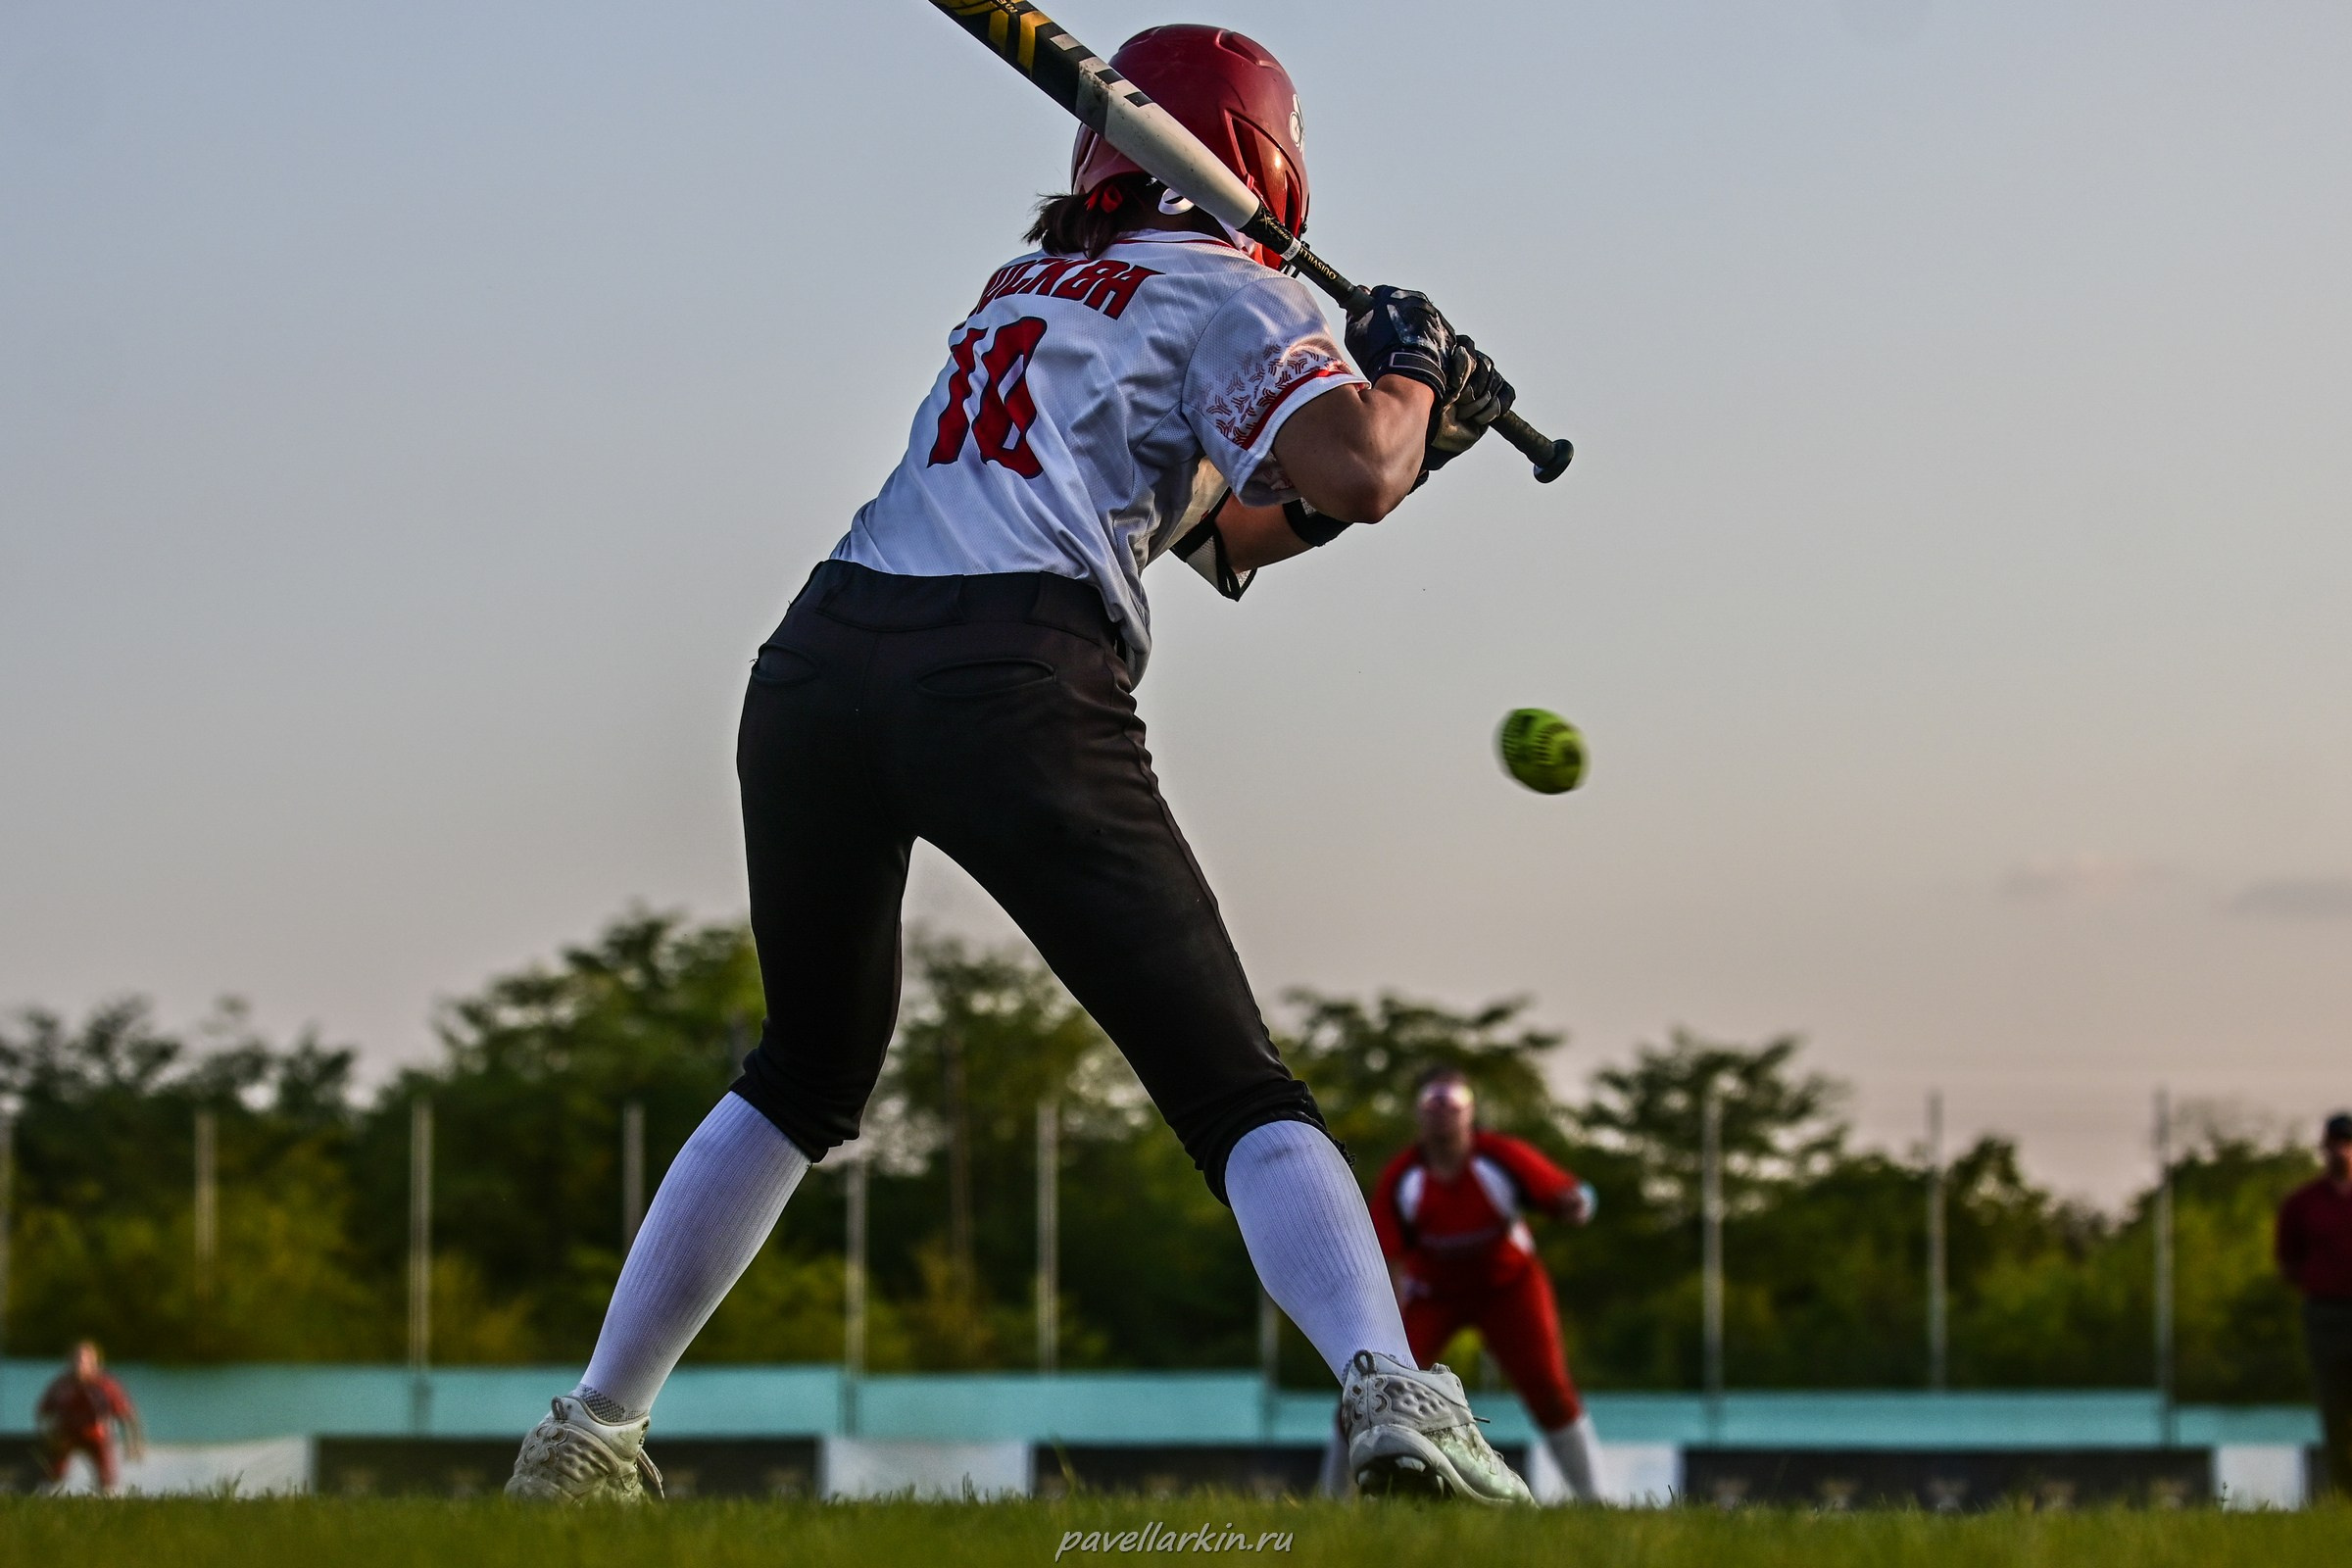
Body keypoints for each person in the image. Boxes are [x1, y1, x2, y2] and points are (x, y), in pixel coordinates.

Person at [508, 24, 1525, 1504]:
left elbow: (1226, 536)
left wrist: (1418, 430)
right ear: (1274, 157)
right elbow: (1351, 468)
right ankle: (1392, 1396)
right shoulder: (1232, 287)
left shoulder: (1030, 285)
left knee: (804, 1067)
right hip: (1007, 677)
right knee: (1231, 1084)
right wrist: (1414, 378)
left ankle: (591, 1431)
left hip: (818, 667)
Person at [1346, 1067, 1605, 1502]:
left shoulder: (1499, 1158)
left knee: (1549, 1389)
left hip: (1509, 1288)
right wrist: (1383, 1323)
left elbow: (1571, 1193)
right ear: (1419, 1114)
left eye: (1454, 1100)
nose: (1443, 1112)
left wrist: (1576, 1204)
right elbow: (1388, 1258)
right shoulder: (1402, 1177)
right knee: (1372, 1384)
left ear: (1471, 1111)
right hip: (1434, 1295)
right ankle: (1334, 1498)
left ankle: (1594, 1499)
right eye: (1433, 1101)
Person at [2277, 1111, 2352, 1496]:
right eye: (2335, 1144)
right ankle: (2343, 1490)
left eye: (2348, 1143)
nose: (2341, 1152)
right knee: (2335, 1407)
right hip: (2325, 1315)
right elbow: (2288, 1259)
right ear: (2324, 1148)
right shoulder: (2303, 1203)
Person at [34, 1341, 142, 1495]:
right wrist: (47, 1434)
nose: (79, 1364)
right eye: (76, 1359)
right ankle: (47, 1497)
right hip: (66, 1435)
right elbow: (43, 1412)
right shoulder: (61, 1385)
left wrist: (133, 1443)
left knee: (107, 1480)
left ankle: (108, 1496)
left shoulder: (105, 1385)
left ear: (94, 1362)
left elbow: (127, 1415)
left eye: (84, 1360)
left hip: (96, 1435)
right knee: (51, 1475)